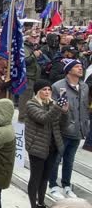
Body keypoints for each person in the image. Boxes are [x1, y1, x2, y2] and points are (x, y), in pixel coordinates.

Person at [49, 59, 89, 199]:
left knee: (69, 160)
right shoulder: (58, 86)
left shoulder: (84, 86)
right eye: (77, 67)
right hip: (62, 129)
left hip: (78, 130)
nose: (80, 68)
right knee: (56, 159)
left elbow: (83, 108)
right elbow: (52, 108)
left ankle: (66, 185)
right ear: (69, 70)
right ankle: (53, 185)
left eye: (81, 67)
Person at [26, 79, 66, 208]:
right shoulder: (31, 104)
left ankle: (41, 203)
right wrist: (57, 107)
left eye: (49, 89)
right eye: (44, 89)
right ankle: (33, 204)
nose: (47, 92)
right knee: (35, 178)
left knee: (45, 178)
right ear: (38, 91)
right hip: (37, 146)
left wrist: (65, 111)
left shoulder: (53, 104)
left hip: (53, 146)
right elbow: (43, 119)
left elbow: (63, 124)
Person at [19, 30, 42, 123]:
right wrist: (34, 56)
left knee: (32, 100)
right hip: (27, 77)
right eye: (33, 36)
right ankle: (22, 120)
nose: (35, 38)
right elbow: (24, 62)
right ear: (27, 37)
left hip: (34, 76)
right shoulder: (24, 47)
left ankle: (28, 118)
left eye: (36, 36)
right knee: (25, 99)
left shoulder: (33, 47)